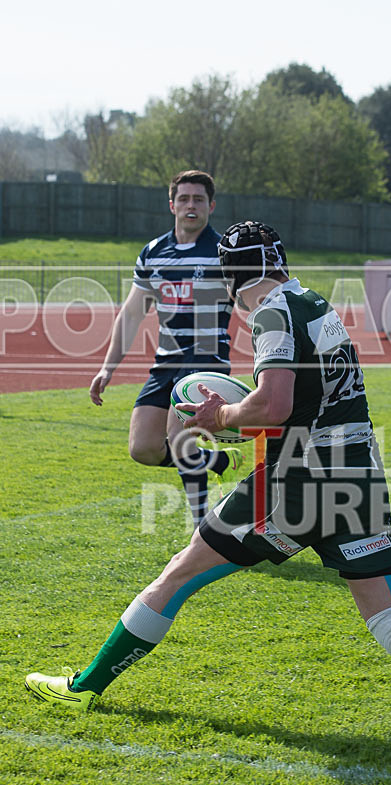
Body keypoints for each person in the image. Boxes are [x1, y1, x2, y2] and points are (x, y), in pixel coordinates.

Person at [26, 221, 391, 747]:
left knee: (178, 574)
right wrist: (248, 417)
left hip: (302, 476)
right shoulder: (315, 303)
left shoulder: (272, 311)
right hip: (357, 472)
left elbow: (275, 402)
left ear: (235, 273)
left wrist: (222, 417)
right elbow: (300, 403)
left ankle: (83, 689)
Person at [88, 170, 243, 526]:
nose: (191, 206)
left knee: (177, 437)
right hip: (165, 364)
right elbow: (130, 315)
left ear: (211, 206)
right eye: (185, 199)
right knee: (142, 448)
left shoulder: (223, 254)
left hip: (207, 363)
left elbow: (251, 303)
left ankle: (203, 530)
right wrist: (107, 368)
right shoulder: (154, 252)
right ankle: (216, 462)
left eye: (199, 200)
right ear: (172, 204)